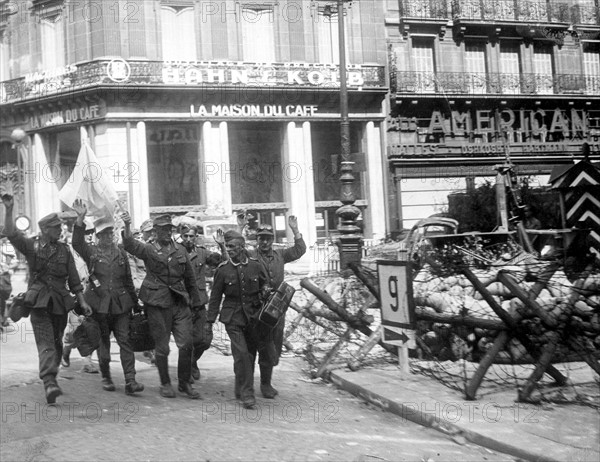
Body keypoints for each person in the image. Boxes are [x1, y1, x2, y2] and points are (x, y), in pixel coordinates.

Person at [2, 195, 93, 404]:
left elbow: (74, 278)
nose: (60, 230)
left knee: (57, 343)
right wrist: (9, 210)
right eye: (55, 228)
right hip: (39, 303)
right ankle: (49, 382)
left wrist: (83, 301)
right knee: (46, 344)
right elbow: (11, 233)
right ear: (45, 230)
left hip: (60, 303)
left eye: (59, 227)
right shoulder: (31, 246)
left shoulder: (64, 249)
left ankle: (52, 376)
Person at [121, 212, 202, 399]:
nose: (167, 232)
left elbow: (190, 278)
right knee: (162, 347)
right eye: (163, 229)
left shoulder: (180, 250)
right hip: (157, 303)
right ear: (155, 232)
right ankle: (165, 383)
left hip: (179, 302)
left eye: (169, 229)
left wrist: (196, 304)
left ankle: (184, 383)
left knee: (186, 344)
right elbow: (129, 244)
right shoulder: (148, 250)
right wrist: (127, 224)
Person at [71, 200, 144, 395]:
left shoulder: (120, 253)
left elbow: (128, 279)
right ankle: (106, 377)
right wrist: (80, 218)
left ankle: (130, 380)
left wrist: (135, 304)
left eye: (109, 233)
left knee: (125, 340)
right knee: (103, 342)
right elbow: (76, 243)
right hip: (99, 306)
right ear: (97, 236)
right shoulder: (92, 253)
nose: (107, 236)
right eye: (103, 234)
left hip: (121, 305)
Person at [208, 230, 270, 409]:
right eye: (227, 246)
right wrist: (209, 322)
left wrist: (265, 289)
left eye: (232, 246)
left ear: (242, 248)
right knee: (242, 354)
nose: (229, 249)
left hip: (253, 316)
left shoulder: (255, 266)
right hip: (232, 317)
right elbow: (215, 297)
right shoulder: (223, 270)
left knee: (249, 355)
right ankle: (247, 394)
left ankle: (239, 385)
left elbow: (265, 284)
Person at [250, 216, 306, 398]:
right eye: (261, 238)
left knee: (273, 345)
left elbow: (299, 250)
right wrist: (241, 227)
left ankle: (266, 383)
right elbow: (234, 251)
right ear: (257, 240)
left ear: (272, 240)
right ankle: (247, 384)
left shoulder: (279, 255)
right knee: (253, 345)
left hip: (276, 309)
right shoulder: (251, 256)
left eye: (267, 238)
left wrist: (295, 230)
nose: (264, 241)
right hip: (256, 307)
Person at [180, 224, 222, 382]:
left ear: (196, 237)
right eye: (185, 236)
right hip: (182, 303)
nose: (189, 239)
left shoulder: (202, 252)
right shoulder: (176, 252)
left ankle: (192, 361)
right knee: (186, 340)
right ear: (181, 236)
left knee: (204, 340)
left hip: (199, 302)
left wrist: (222, 245)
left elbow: (221, 261)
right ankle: (186, 372)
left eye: (192, 236)